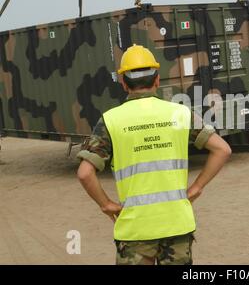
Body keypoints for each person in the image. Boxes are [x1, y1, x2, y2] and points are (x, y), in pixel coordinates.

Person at [76, 44, 231, 265]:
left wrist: (106, 204)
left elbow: (84, 173)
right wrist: (197, 187)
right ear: (157, 80)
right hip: (177, 224)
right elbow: (222, 150)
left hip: (135, 230)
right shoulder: (180, 113)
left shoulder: (110, 120)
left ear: (123, 83)